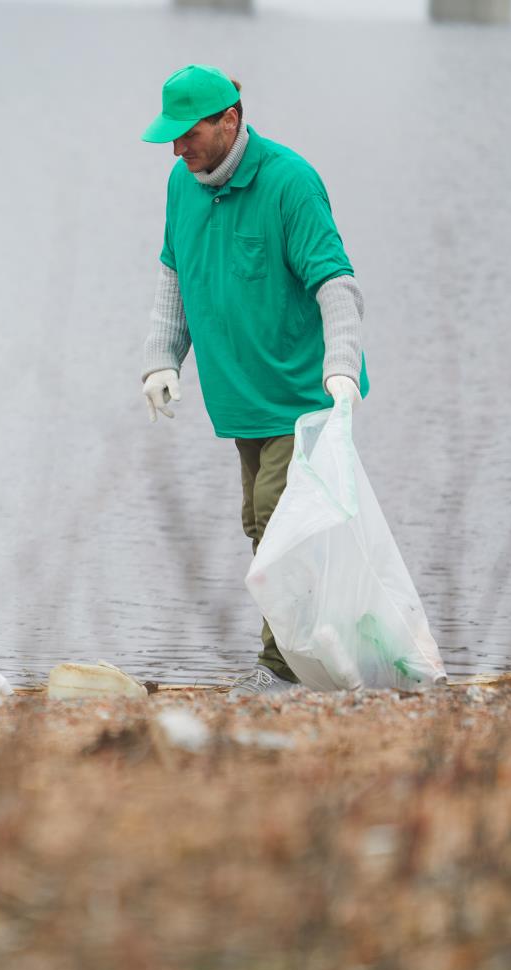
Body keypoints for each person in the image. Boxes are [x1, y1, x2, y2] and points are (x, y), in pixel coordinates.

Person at [137, 65, 369, 698]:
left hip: (305, 395)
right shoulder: (181, 186)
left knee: (277, 522)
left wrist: (342, 370)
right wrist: (162, 358)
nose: (178, 148)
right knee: (259, 523)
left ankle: (284, 670)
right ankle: (329, 646)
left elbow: (337, 285)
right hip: (240, 396)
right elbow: (172, 276)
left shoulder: (290, 181)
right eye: (171, 138)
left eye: (188, 134)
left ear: (230, 120)